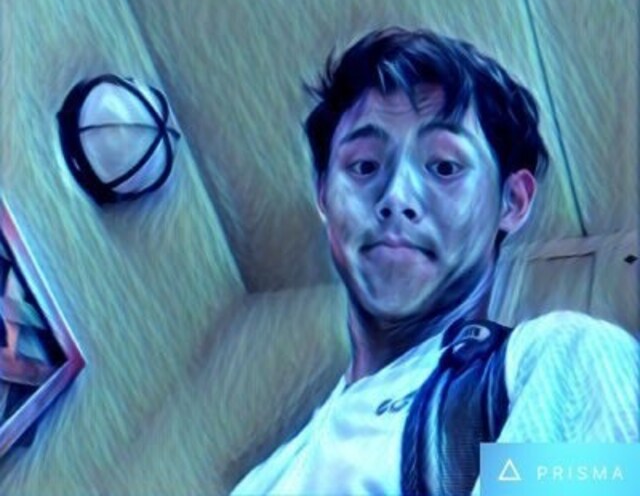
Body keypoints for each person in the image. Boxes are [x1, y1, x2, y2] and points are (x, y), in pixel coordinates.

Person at [231, 28, 638, 495]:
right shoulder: (261, 480)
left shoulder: (561, 358)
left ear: (512, 201)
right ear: (324, 194)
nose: (396, 197)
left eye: (444, 167)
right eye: (364, 166)